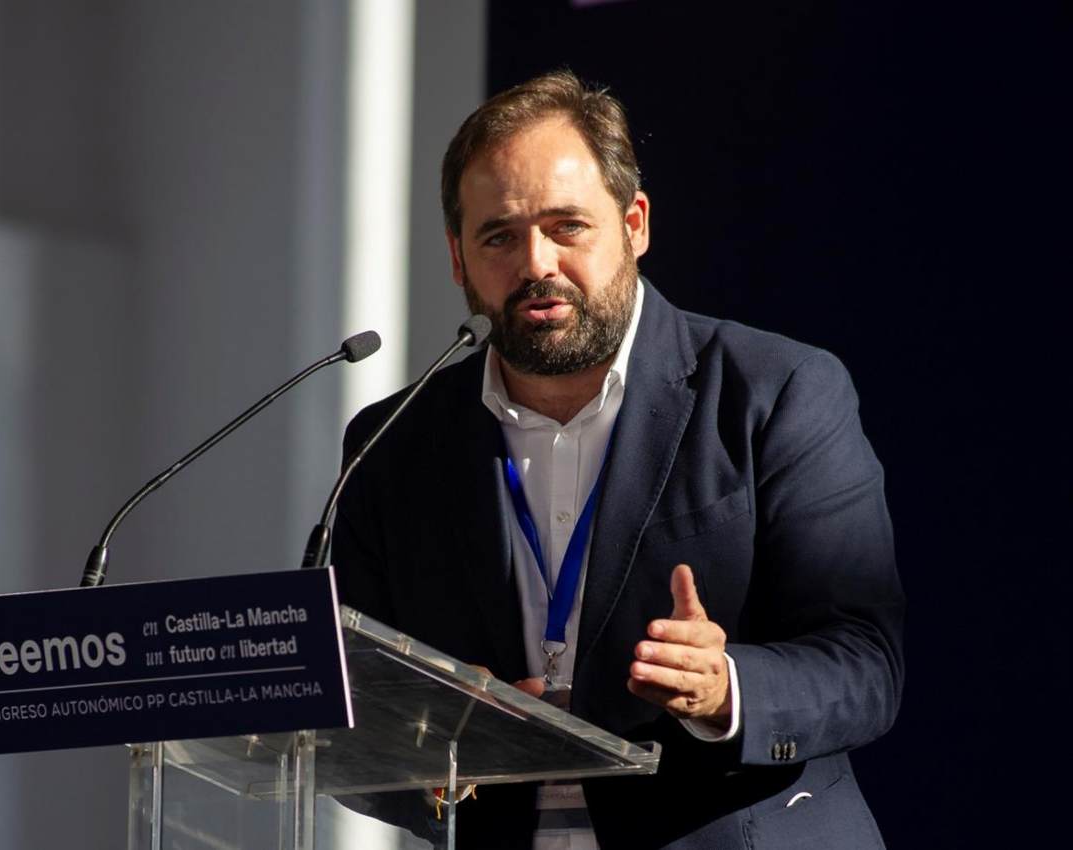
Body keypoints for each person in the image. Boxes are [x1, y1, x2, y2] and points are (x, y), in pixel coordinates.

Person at [333, 70, 904, 850]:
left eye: (567, 226)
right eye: (498, 236)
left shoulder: (776, 392)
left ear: (634, 224)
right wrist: (437, 748)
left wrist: (724, 688)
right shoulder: (393, 442)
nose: (536, 263)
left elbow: (864, 664)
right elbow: (350, 702)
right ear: (458, 259)